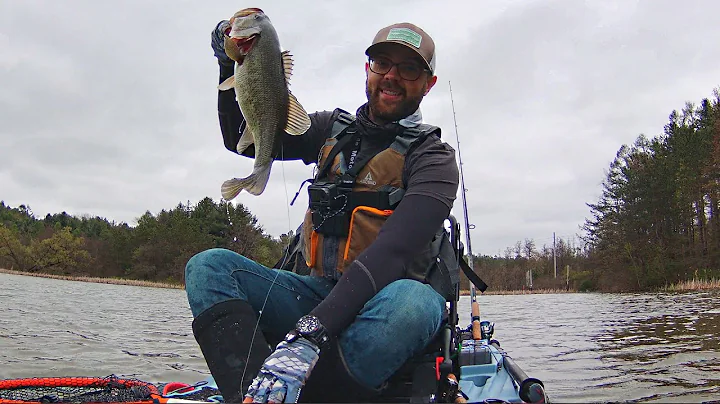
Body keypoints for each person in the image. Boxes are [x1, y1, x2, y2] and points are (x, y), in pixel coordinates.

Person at [185, 18, 460, 404]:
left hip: (382, 309)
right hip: (314, 293)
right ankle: (252, 395)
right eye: (383, 63)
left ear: (428, 83)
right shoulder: (330, 129)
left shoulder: (434, 160)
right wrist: (227, 63)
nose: (391, 77)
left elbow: (395, 251)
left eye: (409, 68)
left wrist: (311, 333)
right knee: (208, 267)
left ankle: (313, 392)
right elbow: (244, 143)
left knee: (415, 304)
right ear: (368, 68)